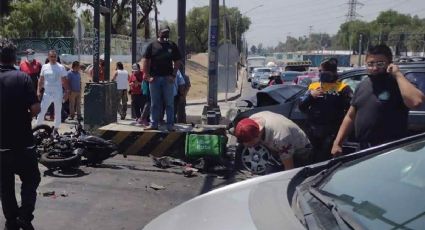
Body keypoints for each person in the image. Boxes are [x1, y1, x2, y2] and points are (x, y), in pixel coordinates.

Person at [331, 44, 425, 156]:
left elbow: (416, 102)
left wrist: (398, 75)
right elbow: (351, 116)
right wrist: (338, 142)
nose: (375, 68)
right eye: (371, 64)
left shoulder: (398, 83)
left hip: (390, 150)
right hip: (363, 149)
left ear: (390, 63)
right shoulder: (363, 85)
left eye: (380, 63)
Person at [0, 38, 41, 230]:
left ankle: (11, 220)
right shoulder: (23, 77)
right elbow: (35, 108)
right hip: (24, 142)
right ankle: (25, 217)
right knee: (31, 179)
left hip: (2, 145)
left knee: (5, 185)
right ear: (14, 57)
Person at [299, 58, 353, 162]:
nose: (320, 74)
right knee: (313, 159)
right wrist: (311, 96)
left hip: (332, 133)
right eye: (319, 71)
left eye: (322, 71)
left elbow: (351, 110)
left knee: (328, 160)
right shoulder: (314, 86)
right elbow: (301, 106)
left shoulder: (343, 88)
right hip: (313, 132)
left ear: (333, 72)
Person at [234, 111, 311, 171]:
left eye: (249, 143)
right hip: (277, 148)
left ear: (257, 135)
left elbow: (289, 169)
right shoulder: (252, 120)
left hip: (299, 150)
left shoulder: (280, 137)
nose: (246, 146)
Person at [142, 24, 182, 131]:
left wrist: (173, 75)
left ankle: (170, 125)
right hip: (154, 79)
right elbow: (145, 60)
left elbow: (178, 61)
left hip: (167, 79)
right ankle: (154, 124)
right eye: (163, 32)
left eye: (167, 32)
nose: (165, 34)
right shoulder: (152, 45)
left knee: (169, 103)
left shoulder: (172, 45)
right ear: (159, 32)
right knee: (155, 103)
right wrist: (147, 76)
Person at [35, 50, 70, 130]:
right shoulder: (44, 67)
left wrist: (67, 92)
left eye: (55, 56)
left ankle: (56, 129)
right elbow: (41, 80)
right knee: (42, 110)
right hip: (47, 93)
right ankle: (37, 127)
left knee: (57, 112)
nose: (53, 58)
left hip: (58, 93)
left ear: (56, 57)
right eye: (51, 56)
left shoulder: (61, 67)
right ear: (48, 57)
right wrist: (38, 90)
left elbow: (65, 80)